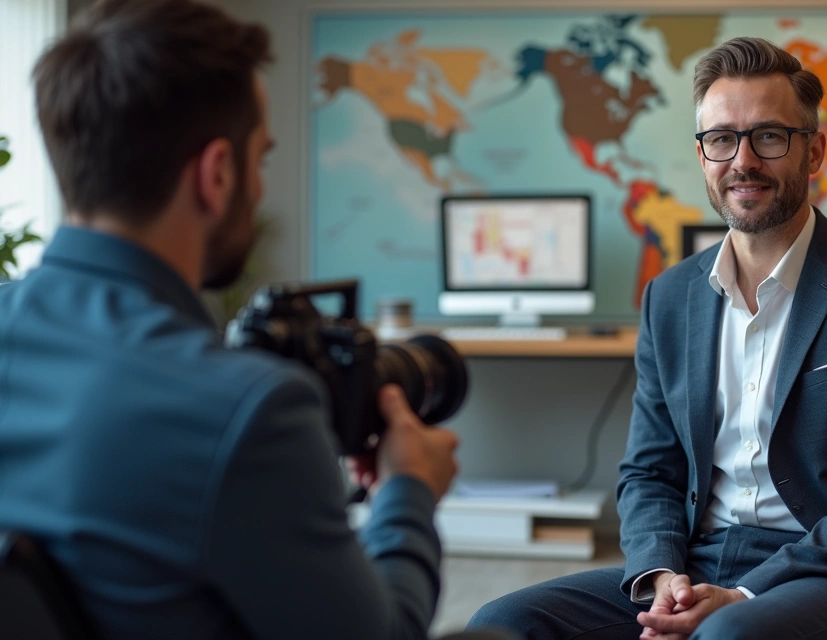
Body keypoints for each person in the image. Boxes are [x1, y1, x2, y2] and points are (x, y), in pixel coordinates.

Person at [0, 1, 512, 639]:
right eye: (263, 159)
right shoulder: (244, 411)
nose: (261, 185)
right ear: (217, 174)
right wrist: (407, 490)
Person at [469, 36, 827, 640]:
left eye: (770, 136)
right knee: (505, 624)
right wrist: (663, 575)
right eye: (722, 138)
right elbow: (650, 471)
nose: (743, 160)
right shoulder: (668, 298)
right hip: (701, 562)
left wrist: (744, 594)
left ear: (814, 153)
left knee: (728, 636)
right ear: (703, 155)